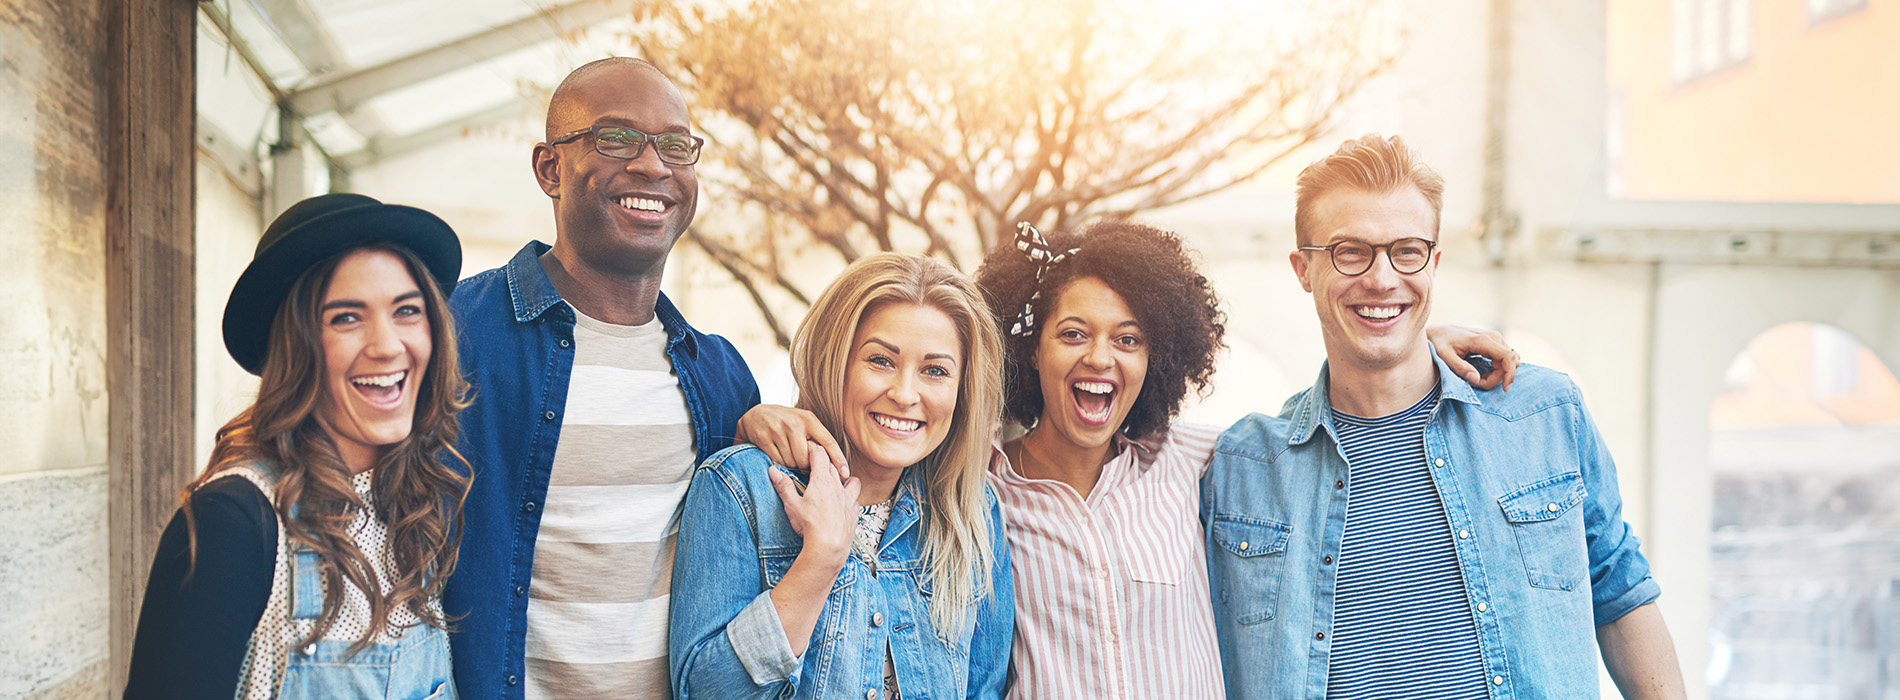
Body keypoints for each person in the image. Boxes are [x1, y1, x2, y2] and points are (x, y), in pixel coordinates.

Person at [742, 220, 1517, 699]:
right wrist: (765, 417)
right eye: (1073, 333)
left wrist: (1415, 354)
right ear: (1029, 350)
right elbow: (879, 448)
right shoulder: (968, 493)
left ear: (1158, 356)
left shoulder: (1204, 465)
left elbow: (1324, 429)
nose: (1101, 358)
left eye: (1129, 338)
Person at [1203, 134, 1686, 699]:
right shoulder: (1240, 467)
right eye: (1350, 251)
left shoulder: (1545, 415)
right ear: (1303, 268)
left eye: (1405, 250)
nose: (1381, 278)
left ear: (1434, 261)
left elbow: (1620, 592)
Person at [442, 57, 760, 699]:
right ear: (548, 168)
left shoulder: (723, 380)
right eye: (615, 138)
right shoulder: (453, 337)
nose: (652, 166)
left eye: (677, 145)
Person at [124, 193, 469, 699]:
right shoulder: (237, 522)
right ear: (296, 344)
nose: (387, 344)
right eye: (346, 318)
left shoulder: (414, 508)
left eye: (407, 311)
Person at [670, 254, 1014, 699]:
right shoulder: (741, 488)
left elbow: (983, 689)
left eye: (935, 371)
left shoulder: (973, 509)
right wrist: (820, 561)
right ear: (837, 361)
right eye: (880, 361)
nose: (905, 394)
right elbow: (704, 693)